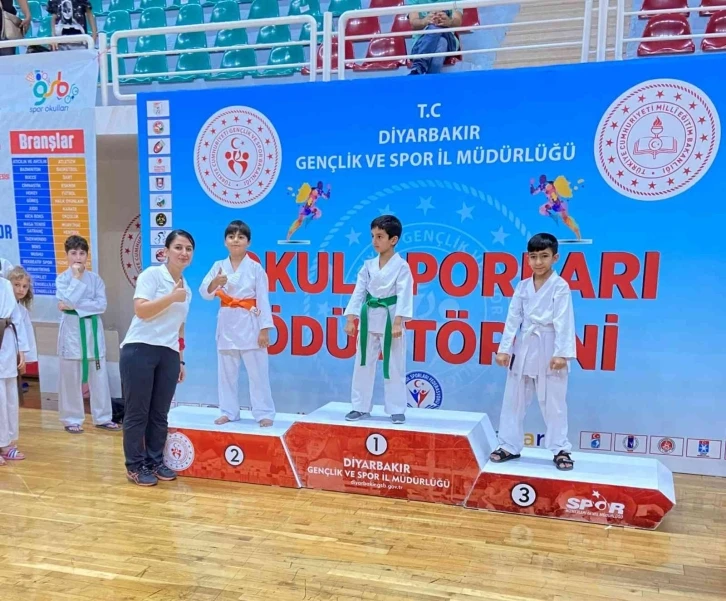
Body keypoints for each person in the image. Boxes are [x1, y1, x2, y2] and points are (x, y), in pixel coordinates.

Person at [490, 233, 577, 471]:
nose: (538, 262)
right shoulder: (522, 286)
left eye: (544, 256)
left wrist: (562, 353)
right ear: (527, 258)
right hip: (525, 344)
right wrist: (504, 349)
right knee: (513, 398)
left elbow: (564, 321)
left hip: (550, 345)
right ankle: (509, 445)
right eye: (533, 257)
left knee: (554, 402)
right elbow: (513, 319)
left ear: (555, 258)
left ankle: (560, 449)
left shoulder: (560, 286)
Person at [120, 230, 193, 486]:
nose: (184, 253)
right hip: (139, 349)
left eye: (188, 249)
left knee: (160, 413)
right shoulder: (152, 275)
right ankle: (135, 465)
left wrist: (180, 359)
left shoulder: (186, 289)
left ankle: (154, 461)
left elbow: (180, 327)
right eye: (179, 247)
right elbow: (141, 310)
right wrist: (171, 297)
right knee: (137, 412)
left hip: (168, 353)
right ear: (166, 251)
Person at [199, 220, 276, 427]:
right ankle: (229, 411)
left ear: (248, 242)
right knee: (226, 373)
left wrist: (264, 329)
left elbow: (263, 299)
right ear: (225, 241)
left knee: (258, 373)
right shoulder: (218, 266)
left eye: (241, 237)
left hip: (251, 322)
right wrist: (215, 283)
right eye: (231, 236)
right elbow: (204, 292)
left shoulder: (256, 268)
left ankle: (264, 412)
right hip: (227, 323)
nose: (235, 240)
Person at [343, 215, 413, 424]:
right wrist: (351, 318)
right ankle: (360, 406)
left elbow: (404, 294)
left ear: (393, 240)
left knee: (394, 365)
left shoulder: (402, 266)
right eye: (373, 236)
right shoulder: (368, 266)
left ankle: (396, 409)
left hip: (391, 319)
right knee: (362, 363)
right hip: (368, 319)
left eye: (380, 236)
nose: (375, 241)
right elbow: (358, 292)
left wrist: (399, 322)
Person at [55, 235, 118, 434]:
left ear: (87, 256)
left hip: (92, 330)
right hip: (71, 333)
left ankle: (103, 417)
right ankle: (71, 419)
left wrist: (74, 305)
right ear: (67, 255)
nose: (78, 257)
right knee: (70, 379)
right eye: (73, 253)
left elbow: (101, 305)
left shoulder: (95, 279)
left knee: (99, 377)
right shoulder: (62, 279)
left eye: (82, 253)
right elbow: (68, 302)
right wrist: (75, 279)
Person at [0, 276, 29, 465]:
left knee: (9, 397)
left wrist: (22, 350)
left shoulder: (5, 284)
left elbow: (17, 319)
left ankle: (7, 442)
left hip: (8, 342)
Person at [407, 0, 461, 75]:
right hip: (420, 43)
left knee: (435, 26)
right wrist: (425, 21)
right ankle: (431, 79)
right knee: (442, 42)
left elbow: (458, 21)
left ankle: (419, 65)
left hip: (449, 39)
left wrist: (448, 22)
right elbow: (413, 23)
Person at [7, 266, 36, 400]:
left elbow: (27, 335)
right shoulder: (5, 307)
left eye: (25, 286)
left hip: (15, 355)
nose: (21, 289)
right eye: (17, 285)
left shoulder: (22, 311)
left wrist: (25, 357)